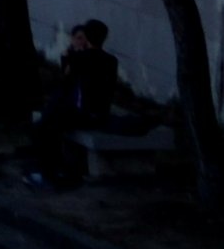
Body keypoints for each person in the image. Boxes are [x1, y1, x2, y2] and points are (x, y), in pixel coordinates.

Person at [20, 20, 160, 188]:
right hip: (99, 112)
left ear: (86, 38)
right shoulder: (111, 61)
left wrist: (67, 58)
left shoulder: (79, 58)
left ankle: (47, 171)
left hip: (82, 113)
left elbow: (66, 82)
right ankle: (52, 168)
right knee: (51, 123)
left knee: (47, 126)